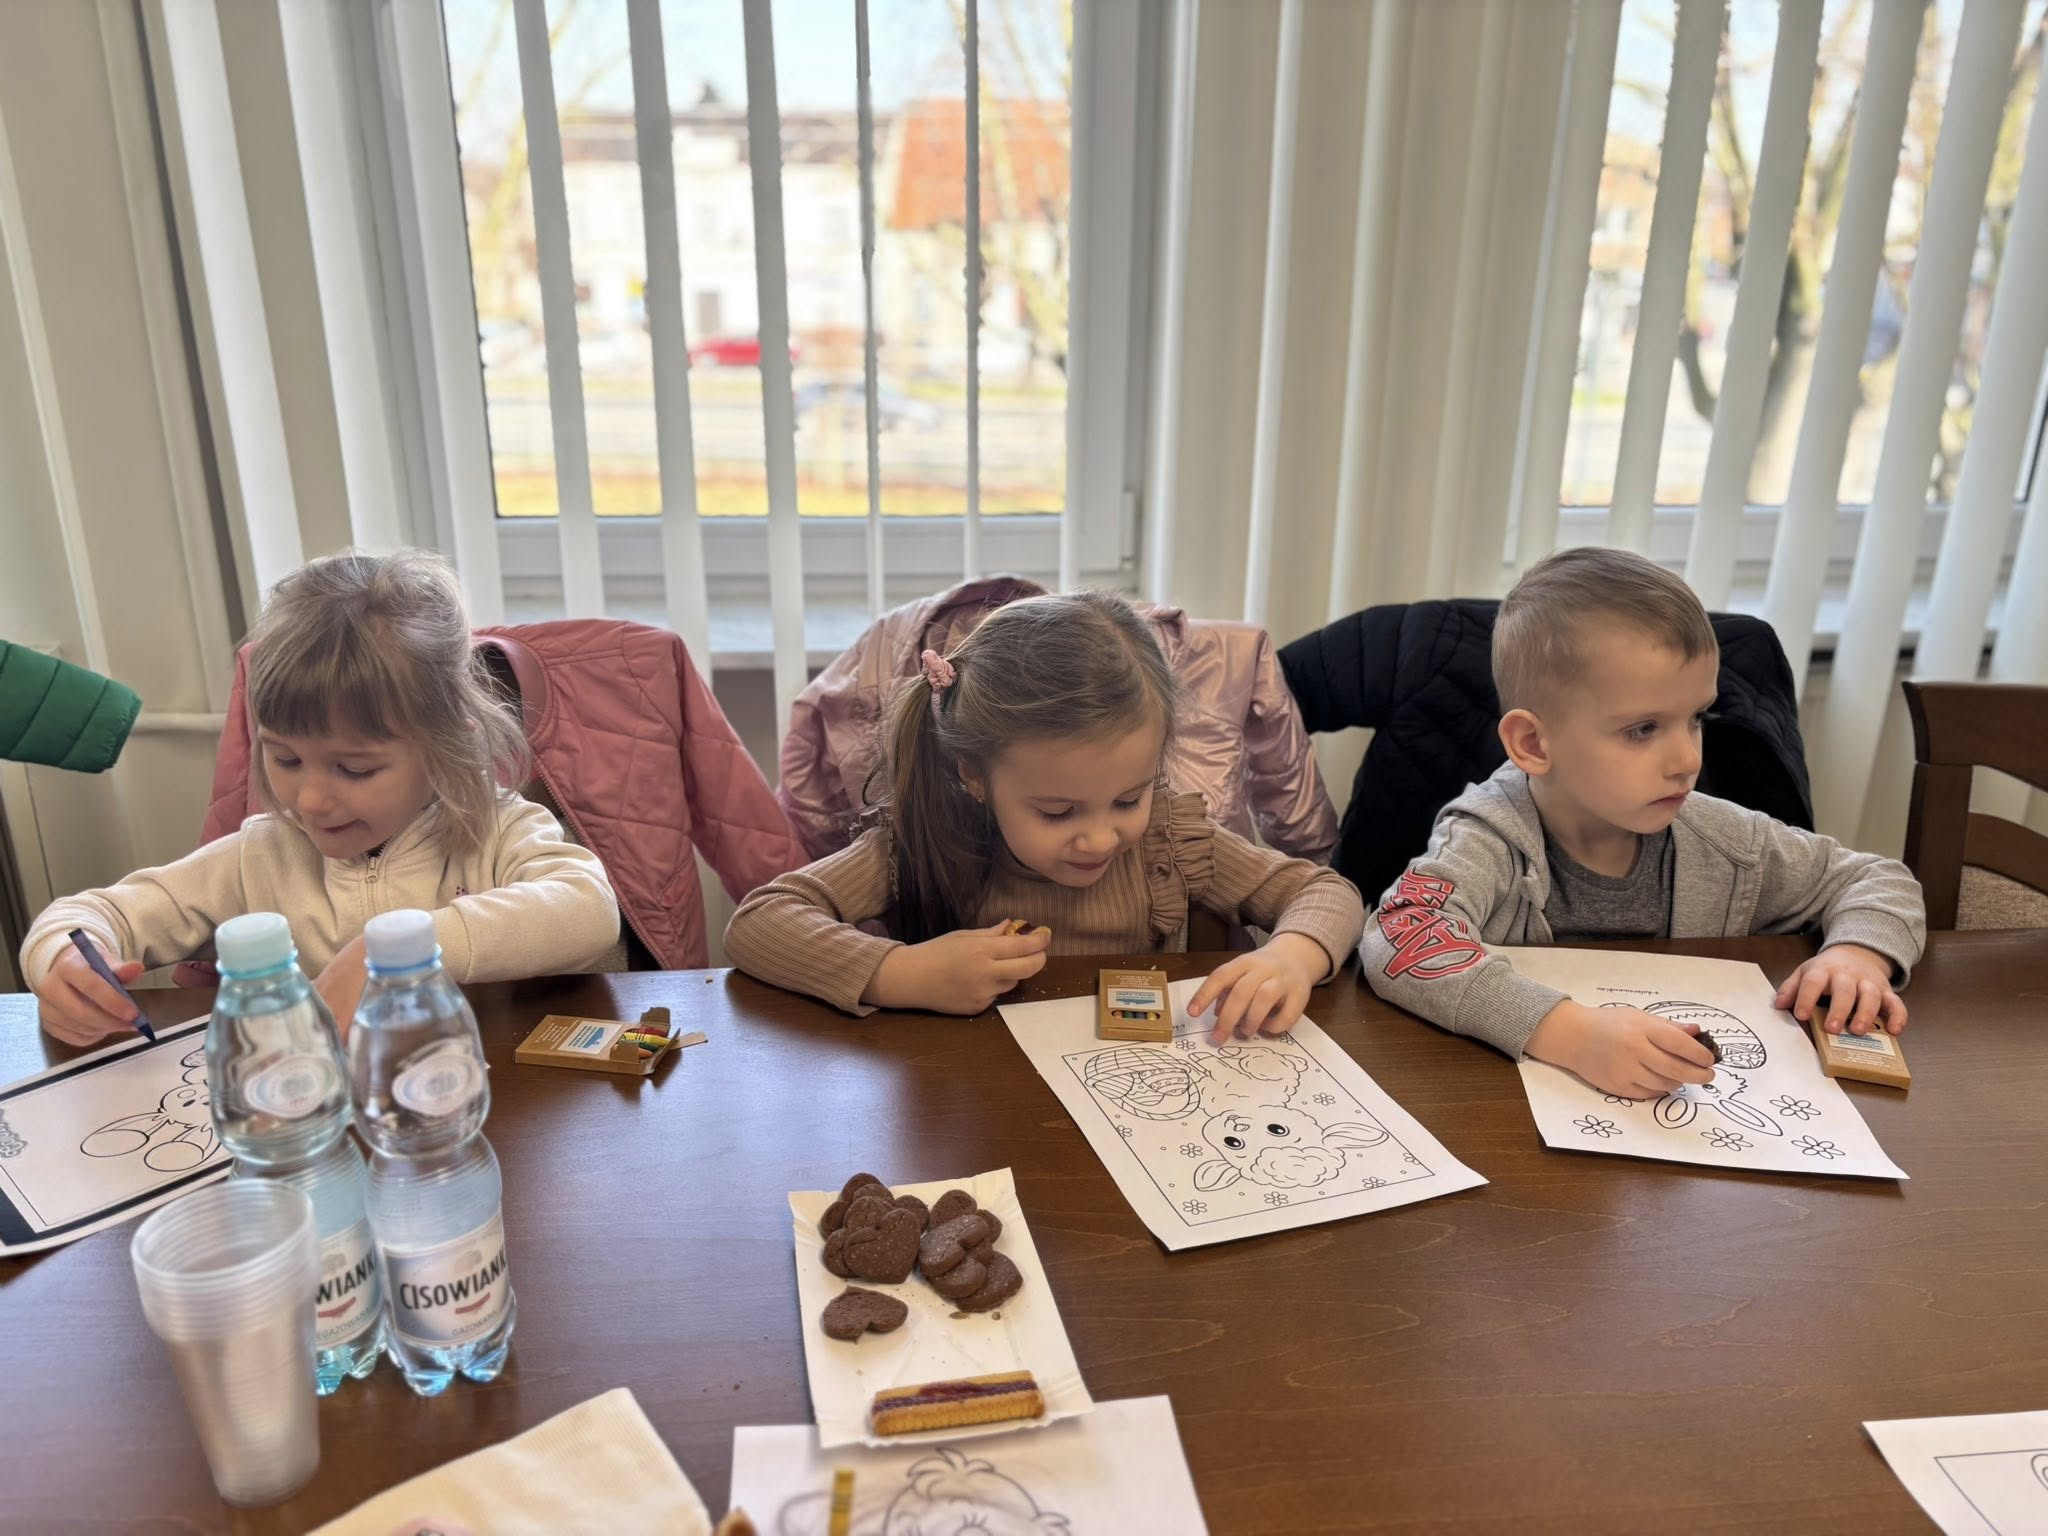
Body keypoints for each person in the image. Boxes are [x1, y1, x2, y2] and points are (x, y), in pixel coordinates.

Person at [1361, 548, 1925, 1099]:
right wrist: (1567, 1032)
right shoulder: (1488, 838)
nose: (1687, 760)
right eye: (1642, 729)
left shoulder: (1722, 839)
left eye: (1696, 717)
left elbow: (1876, 878)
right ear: (1533, 743)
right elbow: (1397, 935)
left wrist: (1858, 955)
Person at [21, 550, 619, 1044]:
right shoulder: (260, 857)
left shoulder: (497, 830)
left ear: (447, 748)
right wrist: (63, 962)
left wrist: (399, 948)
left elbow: (589, 910)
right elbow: (95, 916)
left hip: (486, 1108)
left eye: (354, 769)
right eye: (285, 759)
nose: (309, 800)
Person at [726, 591, 1363, 1042]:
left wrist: (1292, 955)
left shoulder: (1169, 836)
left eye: (1128, 799)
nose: (1101, 837)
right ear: (974, 776)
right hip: (981, 1111)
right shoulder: (924, 838)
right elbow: (759, 923)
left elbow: (1326, 893)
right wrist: (901, 973)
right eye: (1058, 812)